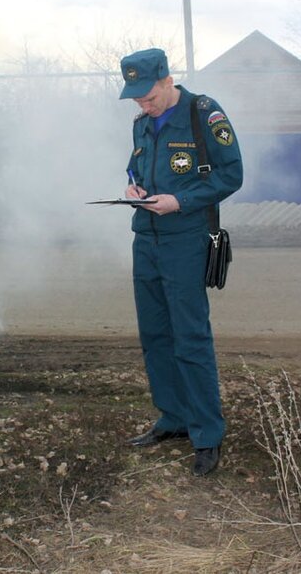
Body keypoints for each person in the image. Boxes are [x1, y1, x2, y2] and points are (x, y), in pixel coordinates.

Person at [117, 47, 243, 477]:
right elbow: (136, 169)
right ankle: (173, 418)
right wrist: (134, 189)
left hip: (186, 238)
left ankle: (207, 433)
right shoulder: (141, 124)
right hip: (145, 238)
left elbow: (231, 175)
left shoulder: (203, 114)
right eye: (136, 98)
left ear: (168, 81)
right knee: (155, 333)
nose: (143, 105)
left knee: (189, 336)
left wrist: (181, 201)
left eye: (148, 96)